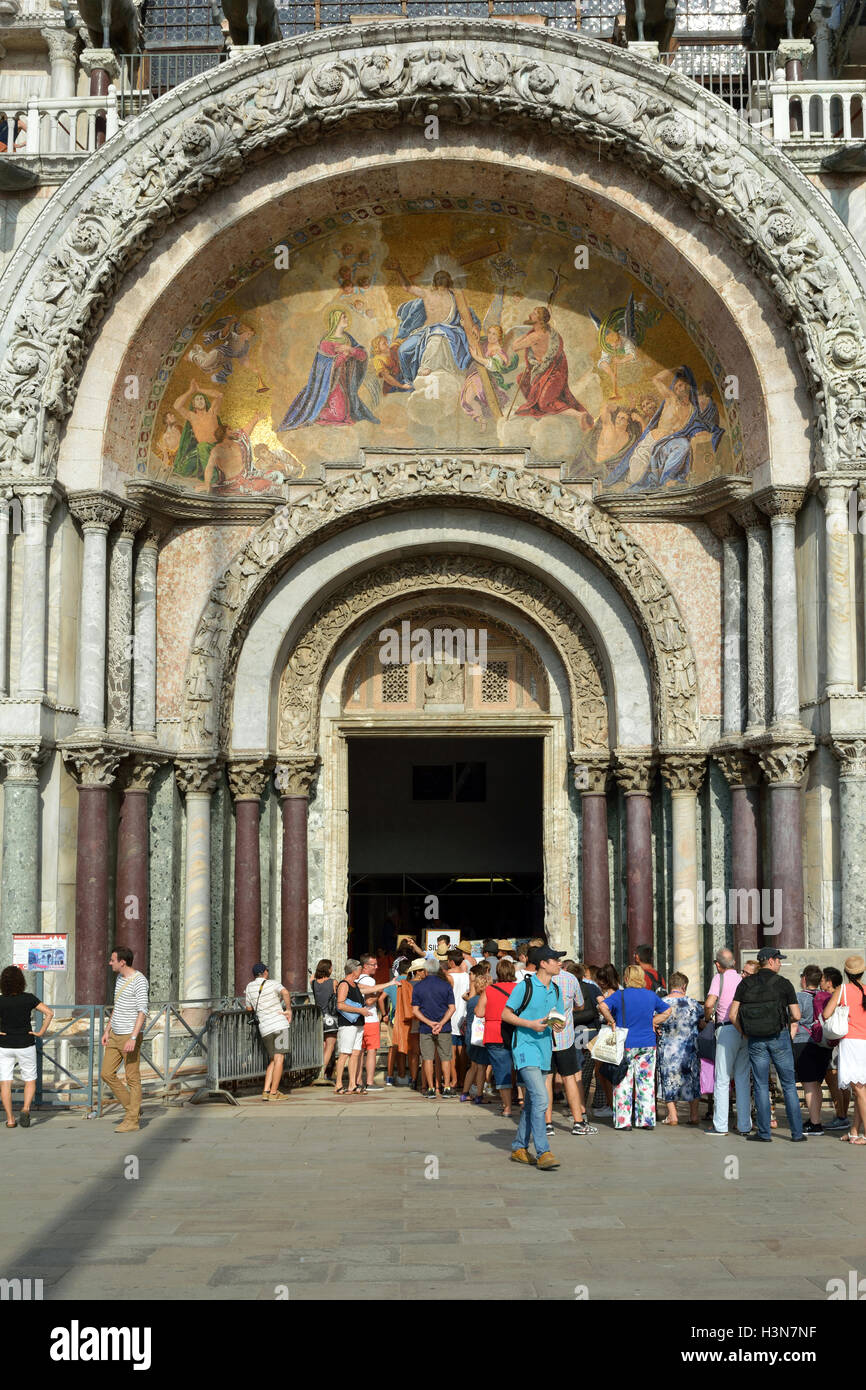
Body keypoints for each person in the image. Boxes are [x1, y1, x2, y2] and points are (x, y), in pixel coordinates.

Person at [728, 947, 805, 1143]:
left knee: (761, 1085)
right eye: (778, 960)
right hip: (779, 1037)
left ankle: (764, 1133)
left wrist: (744, 1032)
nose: (780, 963)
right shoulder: (784, 984)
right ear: (770, 961)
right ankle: (797, 1133)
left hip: (755, 1039)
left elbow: (732, 1015)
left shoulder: (745, 984)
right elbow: (796, 1015)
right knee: (788, 1084)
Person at [502, 945, 567, 1169]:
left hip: (544, 1050)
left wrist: (558, 1024)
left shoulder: (556, 989)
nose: (560, 963)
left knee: (532, 1101)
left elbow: (558, 1016)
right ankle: (543, 1151)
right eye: (556, 960)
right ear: (543, 963)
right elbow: (506, 1013)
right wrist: (529, 1024)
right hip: (524, 1047)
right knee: (541, 1098)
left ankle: (520, 1146)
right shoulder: (525, 987)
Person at [597, 964, 672, 1130]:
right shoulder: (650, 996)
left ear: (626, 978)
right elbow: (667, 1011)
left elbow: (602, 1006)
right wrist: (653, 1022)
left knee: (623, 1082)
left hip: (626, 1043)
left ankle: (624, 1121)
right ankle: (646, 1120)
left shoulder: (620, 995)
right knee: (646, 1083)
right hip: (647, 1044)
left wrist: (612, 1021)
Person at [101, 946, 149, 1133]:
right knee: (106, 1073)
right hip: (114, 1035)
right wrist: (107, 1030)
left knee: (132, 1078)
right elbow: (117, 1007)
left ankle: (132, 1121)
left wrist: (133, 1038)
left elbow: (142, 1011)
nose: (109, 963)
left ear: (122, 962)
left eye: (112, 960)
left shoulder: (139, 981)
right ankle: (133, 1108)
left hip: (130, 1035)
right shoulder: (119, 979)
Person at [547, 958, 598, 1136]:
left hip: (544, 1037)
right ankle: (578, 1122)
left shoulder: (535, 980)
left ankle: (547, 1124)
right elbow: (581, 1004)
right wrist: (567, 1011)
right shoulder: (570, 979)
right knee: (569, 1078)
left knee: (547, 1079)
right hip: (565, 1038)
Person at [703, 947, 750, 1137]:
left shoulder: (719, 978)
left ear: (717, 964)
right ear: (734, 963)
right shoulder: (742, 979)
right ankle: (744, 1125)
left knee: (722, 1079)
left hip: (727, 1028)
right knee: (742, 1078)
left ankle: (721, 1125)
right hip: (744, 1031)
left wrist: (708, 1018)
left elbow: (708, 1003)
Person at [0, 966, 54, 1129]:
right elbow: (49, 1013)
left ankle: (10, 1119)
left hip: (5, 1045)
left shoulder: (1, 1000)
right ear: (21, 981)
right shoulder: (29, 998)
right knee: (29, 1079)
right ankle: (25, 1108)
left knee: (5, 1082)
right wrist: (40, 1032)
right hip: (25, 1043)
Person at [823, 954, 866, 1145]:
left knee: (859, 1090)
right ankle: (854, 1130)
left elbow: (826, 1013)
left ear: (846, 973)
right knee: (860, 1089)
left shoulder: (843, 990)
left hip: (851, 1042)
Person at [657, 972, 702, 1125]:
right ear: (684, 986)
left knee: (668, 1079)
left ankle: (673, 1115)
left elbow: (655, 1022)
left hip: (669, 1049)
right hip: (689, 1049)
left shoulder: (662, 1003)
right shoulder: (693, 1003)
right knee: (693, 1080)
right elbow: (701, 1021)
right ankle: (694, 1115)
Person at [244, 962, 293, 1103]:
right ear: (265, 972)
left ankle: (266, 1091)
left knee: (273, 1058)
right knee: (279, 1058)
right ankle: (273, 1092)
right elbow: (285, 992)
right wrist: (288, 1009)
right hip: (279, 1024)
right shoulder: (272, 983)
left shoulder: (249, 987)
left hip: (264, 1028)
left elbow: (248, 1008)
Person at [476, 956, 517, 1115]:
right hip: (516, 1031)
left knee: (501, 1069)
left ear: (497, 973)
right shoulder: (519, 988)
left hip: (495, 1032)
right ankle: (521, 1100)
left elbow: (479, 1012)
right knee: (521, 1068)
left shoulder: (490, 990)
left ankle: (507, 1107)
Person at [412, 959, 456, 1098]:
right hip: (444, 1027)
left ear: (425, 971)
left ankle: (430, 1088)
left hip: (426, 1027)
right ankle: (447, 1087)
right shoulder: (446, 985)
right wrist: (441, 1023)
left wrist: (430, 1023)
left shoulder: (418, 987)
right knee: (445, 1058)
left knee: (428, 1058)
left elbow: (415, 1010)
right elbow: (452, 1008)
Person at [795, 964, 828, 1134]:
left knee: (808, 1084)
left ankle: (815, 1124)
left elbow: (794, 1019)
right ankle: (816, 1118)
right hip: (822, 1043)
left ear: (804, 979)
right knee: (816, 1084)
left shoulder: (799, 997)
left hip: (803, 1042)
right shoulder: (826, 996)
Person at [819, 968, 850, 1130]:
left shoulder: (832, 997)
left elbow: (825, 1015)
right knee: (843, 1082)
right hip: (845, 1042)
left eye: (822, 979)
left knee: (833, 1080)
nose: (820, 982)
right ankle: (843, 1114)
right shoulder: (845, 995)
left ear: (829, 982)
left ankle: (841, 1116)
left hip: (833, 1043)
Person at [333, 959, 368, 1094]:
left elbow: (371, 988)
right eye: (359, 969)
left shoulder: (356, 985)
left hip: (358, 1023)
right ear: (354, 971)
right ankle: (338, 1083)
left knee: (355, 1053)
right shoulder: (344, 984)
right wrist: (360, 1010)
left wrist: (390, 983)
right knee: (344, 1053)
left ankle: (352, 1084)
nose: (361, 971)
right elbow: (340, 1004)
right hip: (348, 1024)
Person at [461, 963, 492, 1103]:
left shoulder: (471, 1000)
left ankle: (464, 1093)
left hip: (470, 1037)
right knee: (481, 1067)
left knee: (472, 1066)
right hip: (480, 1037)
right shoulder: (485, 1000)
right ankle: (479, 1095)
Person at [357, 953, 385, 1093]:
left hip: (358, 1020)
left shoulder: (355, 979)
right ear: (365, 966)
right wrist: (378, 993)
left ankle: (357, 1080)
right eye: (373, 964)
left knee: (359, 1052)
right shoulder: (370, 981)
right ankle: (369, 1081)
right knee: (371, 1051)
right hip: (370, 1019)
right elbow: (369, 1001)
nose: (377, 967)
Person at [444, 949, 470, 1086]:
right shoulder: (467, 976)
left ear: (452, 962)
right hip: (464, 1015)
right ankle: (461, 1078)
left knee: (451, 1049)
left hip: (451, 1015)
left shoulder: (448, 976)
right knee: (462, 1049)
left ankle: (453, 1079)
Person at [310, 959, 337, 1084]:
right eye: (331, 967)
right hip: (330, 1017)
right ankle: (322, 1072)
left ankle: (319, 1070)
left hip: (318, 1017)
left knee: (323, 1045)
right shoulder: (333, 982)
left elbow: (312, 978)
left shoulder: (314, 983)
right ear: (328, 969)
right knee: (330, 1045)